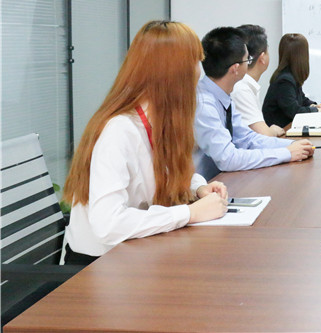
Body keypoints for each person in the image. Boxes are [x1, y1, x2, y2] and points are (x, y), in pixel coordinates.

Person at [61, 21, 229, 263]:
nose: (199, 72)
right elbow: (108, 224)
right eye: (195, 62)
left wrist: (197, 188)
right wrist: (189, 213)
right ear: (173, 73)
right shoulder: (119, 130)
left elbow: (163, 171)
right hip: (97, 266)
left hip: (134, 253)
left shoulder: (157, 120)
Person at [193, 27, 314, 180]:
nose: (250, 64)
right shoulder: (204, 104)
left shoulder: (223, 95)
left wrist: (292, 145)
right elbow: (228, 159)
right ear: (235, 69)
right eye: (247, 60)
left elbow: (247, 139)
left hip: (224, 181)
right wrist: (286, 153)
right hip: (205, 188)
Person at [262, 33, 321, 128]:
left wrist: (315, 106)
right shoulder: (284, 81)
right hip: (282, 133)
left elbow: (301, 99)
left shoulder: (291, 75)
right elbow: (295, 111)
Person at [230, 24, 285, 137]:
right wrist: (272, 131)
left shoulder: (245, 84)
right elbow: (264, 135)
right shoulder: (240, 88)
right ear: (262, 58)